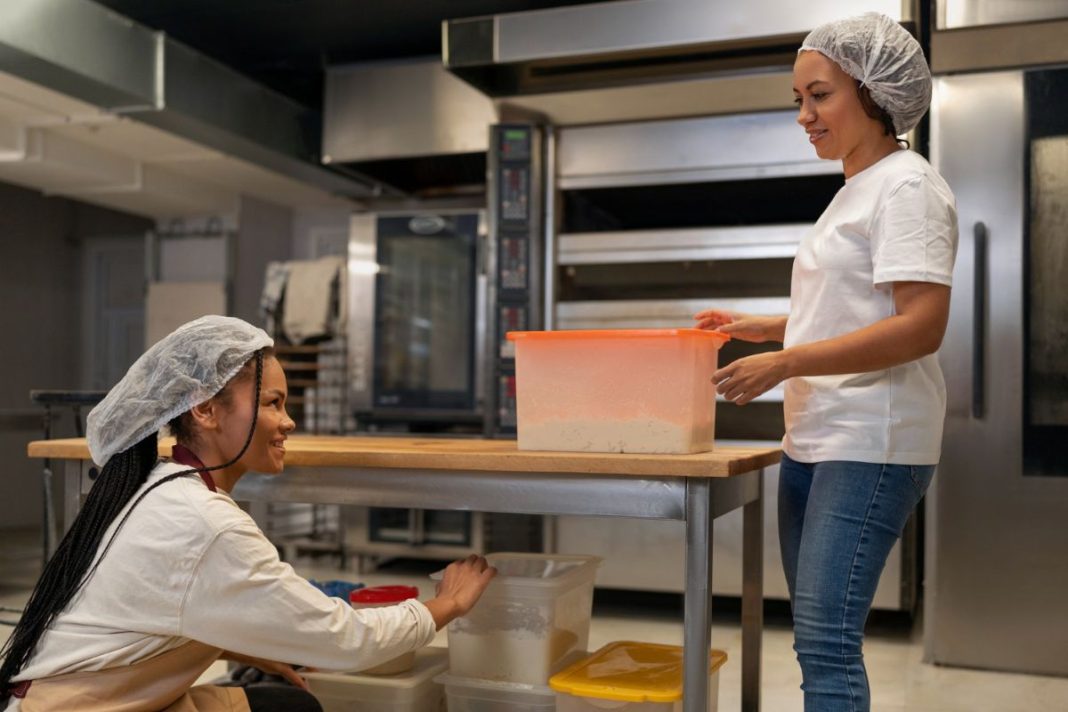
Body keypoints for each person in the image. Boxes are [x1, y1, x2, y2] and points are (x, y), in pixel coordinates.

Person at [1, 315, 496, 711]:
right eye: (273, 403)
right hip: (81, 706)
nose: (288, 421)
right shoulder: (205, 525)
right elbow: (347, 639)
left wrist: (238, 644)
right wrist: (446, 605)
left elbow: (147, 618)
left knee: (287, 704)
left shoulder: (159, 480)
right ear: (206, 411)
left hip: (78, 696)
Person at [695, 13, 957, 712]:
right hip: (818, 436)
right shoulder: (856, 190)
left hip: (870, 439)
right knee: (816, 639)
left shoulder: (907, 187)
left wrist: (783, 363)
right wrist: (762, 330)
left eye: (820, 96)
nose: (804, 116)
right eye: (798, 101)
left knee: (827, 641)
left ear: (874, 93)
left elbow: (920, 327)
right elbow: (854, 310)